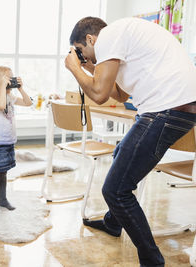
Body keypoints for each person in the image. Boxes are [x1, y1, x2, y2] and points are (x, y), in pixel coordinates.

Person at [65, 17, 196, 267]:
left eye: (82, 52)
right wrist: (91, 69)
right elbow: (121, 93)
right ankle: (113, 223)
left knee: (115, 190)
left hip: (167, 108)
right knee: (120, 153)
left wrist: (75, 68)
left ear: (91, 39)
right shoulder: (121, 41)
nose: (84, 59)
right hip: (174, 106)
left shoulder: (109, 36)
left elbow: (100, 95)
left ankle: (152, 260)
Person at [0, 66, 32, 216]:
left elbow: (28, 103)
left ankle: (3, 200)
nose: (9, 82)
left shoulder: (9, 96)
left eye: (11, 79)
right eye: (5, 79)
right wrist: (3, 88)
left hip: (8, 142)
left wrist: (21, 88)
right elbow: (1, 105)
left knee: (3, 173)